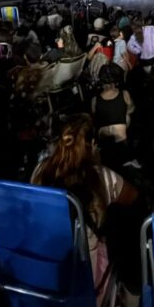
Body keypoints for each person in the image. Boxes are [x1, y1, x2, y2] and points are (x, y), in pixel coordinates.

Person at [32, 115, 138, 296]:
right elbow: (134, 198)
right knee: (126, 219)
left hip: (42, 270)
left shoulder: (41, 170)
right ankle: (132, 289)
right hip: (82, 287)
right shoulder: (102, 177)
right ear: (94, 143)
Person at [91, 63, 134, 145]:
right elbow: (131, 111)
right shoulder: (125, 94)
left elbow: (95, 119)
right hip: (121, 139)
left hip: (103, 140)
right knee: (128, 113)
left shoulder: (95, 100)